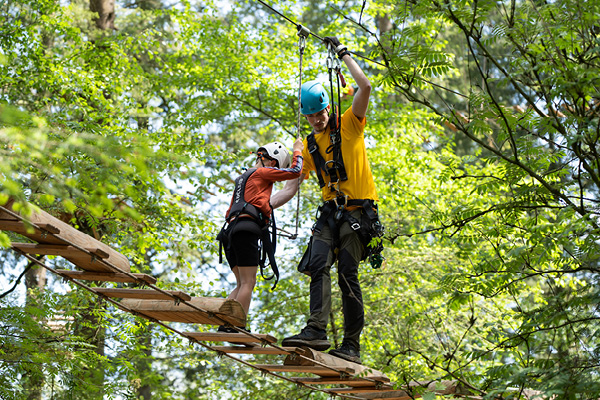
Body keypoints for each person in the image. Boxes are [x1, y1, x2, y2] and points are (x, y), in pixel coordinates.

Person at [281, 36, 382, 364]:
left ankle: (351, 344)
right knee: (317, 265)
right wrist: (263, 203)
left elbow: (364, 87)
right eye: (309, 117)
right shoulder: (310, 145)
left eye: (319, 113)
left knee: (347, 273)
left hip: (359, 211)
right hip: (329, 213)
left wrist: (344, 55)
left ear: (328, 107)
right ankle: (316, 330)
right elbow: (292, 184)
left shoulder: (351, 124)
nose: (315, 120)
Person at [217, 138, 304, 332]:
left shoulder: (244, 177)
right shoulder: (263, 172)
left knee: (241, 283)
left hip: (229, 231)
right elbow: (295, 172)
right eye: (277, 168)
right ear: (273, 163)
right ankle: (236, 324)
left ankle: (225, 323)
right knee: (249, 282)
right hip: (245, 229)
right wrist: (298, 151)